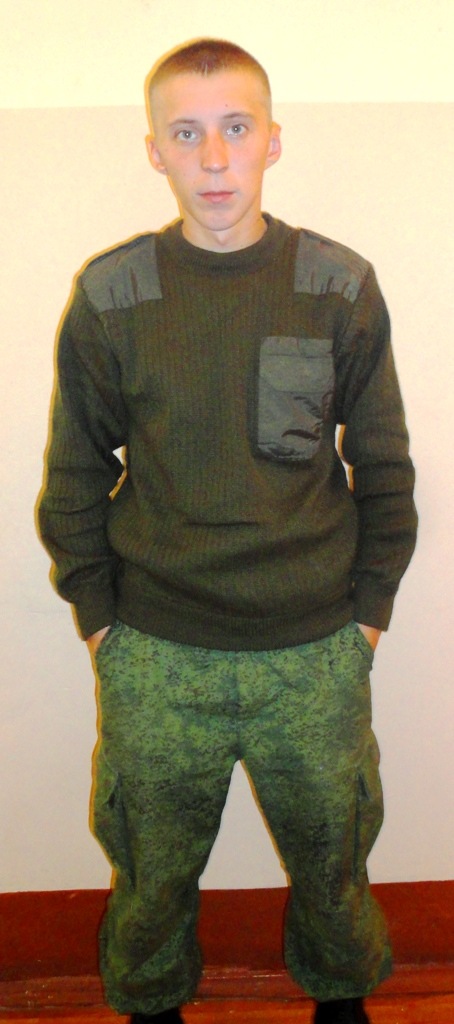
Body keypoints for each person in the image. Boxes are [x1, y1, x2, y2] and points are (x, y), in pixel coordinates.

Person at [38, 38, 417, 1024]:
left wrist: (367, 616)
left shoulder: (337, 285)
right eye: (187, 133)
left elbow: (385, 468)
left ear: (272, 141)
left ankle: (342, 1001)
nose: (214, 158)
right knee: (151, 873)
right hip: (158, 652)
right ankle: (152, 1005)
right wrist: (101, 622)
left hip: (315, 651)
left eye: (236, 129)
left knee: (335, 863)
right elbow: (74, 474)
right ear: (154, 151)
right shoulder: (112, 296)